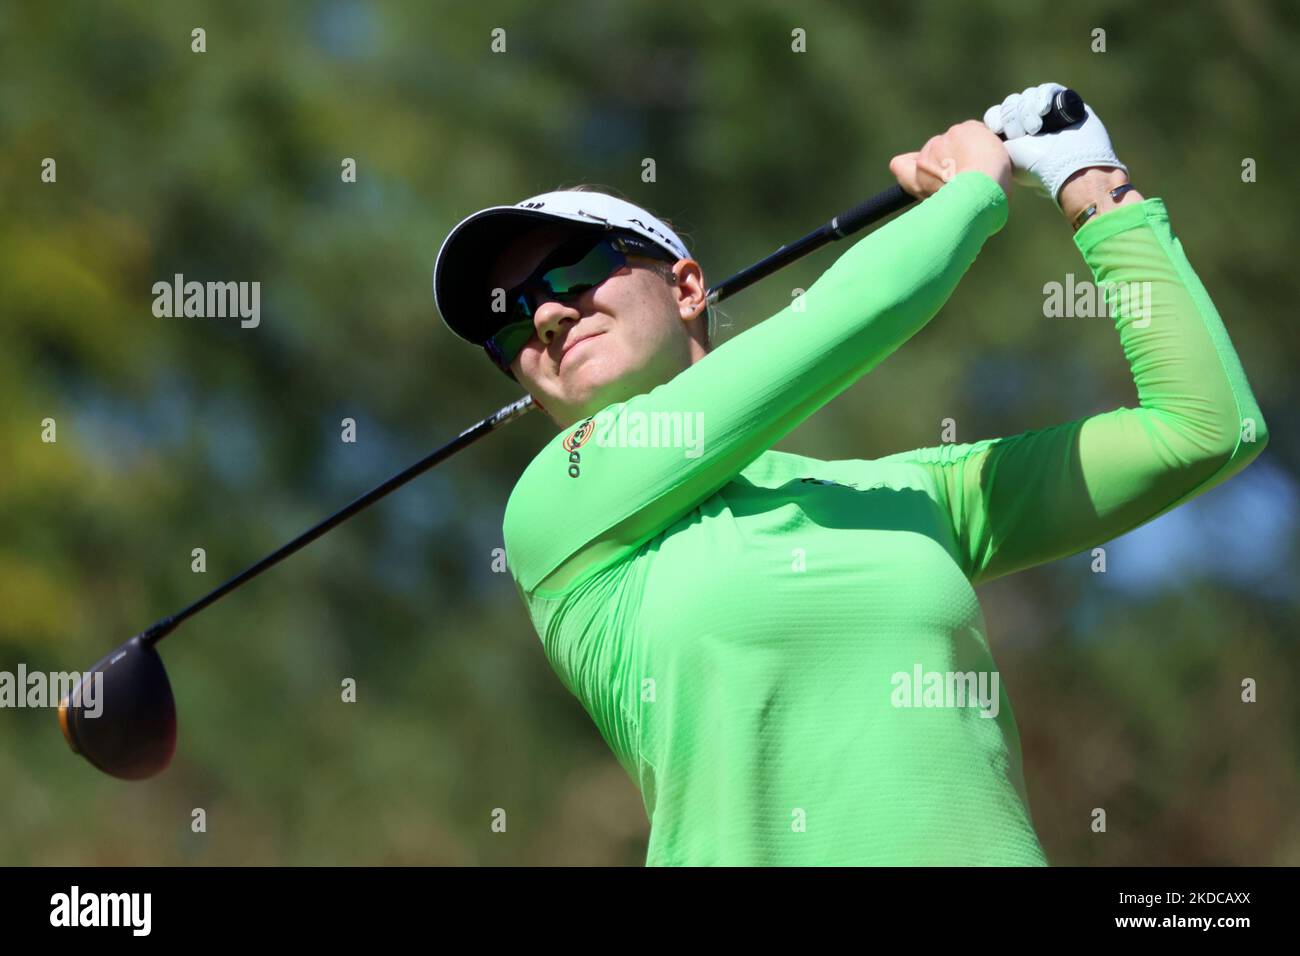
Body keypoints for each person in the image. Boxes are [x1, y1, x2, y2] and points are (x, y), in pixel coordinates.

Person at [432, 83, 1269, 865]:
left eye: (574, 272)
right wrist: (974, 195)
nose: (543, 314)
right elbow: (839, 323)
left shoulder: (912, 499)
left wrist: (1092, 187)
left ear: (688, 286)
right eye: (507, 328)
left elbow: (1202, 428)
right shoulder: (551, 513)